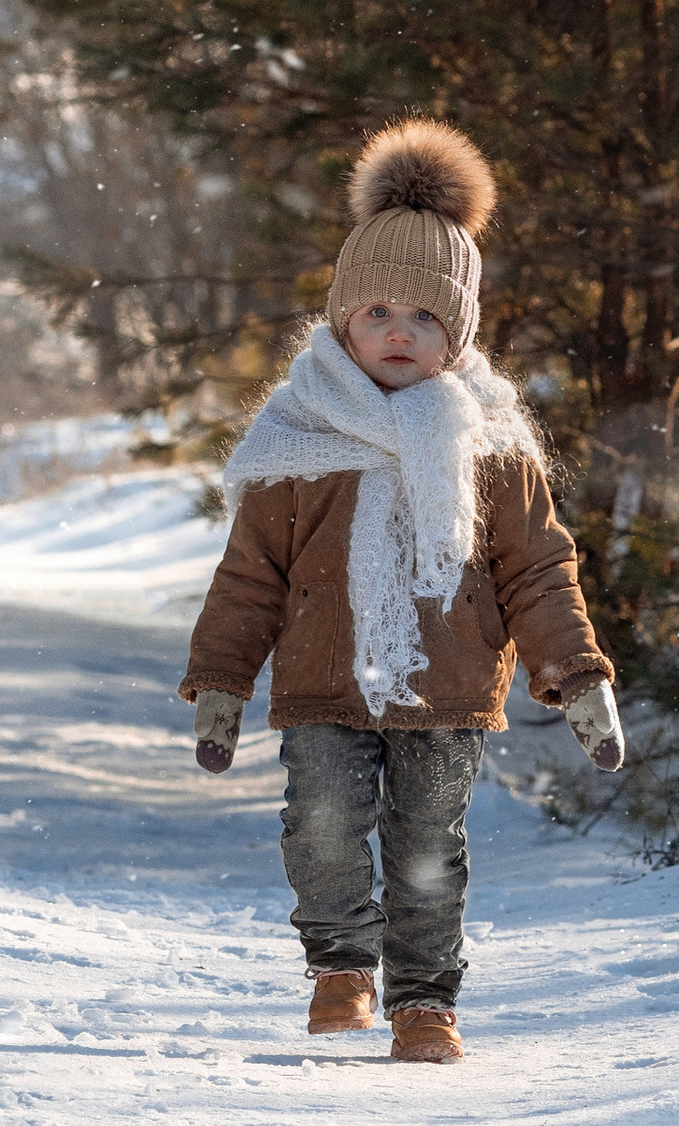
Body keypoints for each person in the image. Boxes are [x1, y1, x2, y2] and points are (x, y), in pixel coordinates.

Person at [178, 120, 623, 1064]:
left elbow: (538, 568)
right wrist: (222, 681)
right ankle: (341, 964)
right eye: (376, 311)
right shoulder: (296, 438)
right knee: (325, 821)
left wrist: (578, 676)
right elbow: (251, 574)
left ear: (455, 336)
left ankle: (425, 1002)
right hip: (321, 680)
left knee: (428, 847)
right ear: (342, 319)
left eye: (424, 318)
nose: (397, 331)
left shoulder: (491, 446)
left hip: (450, 686)